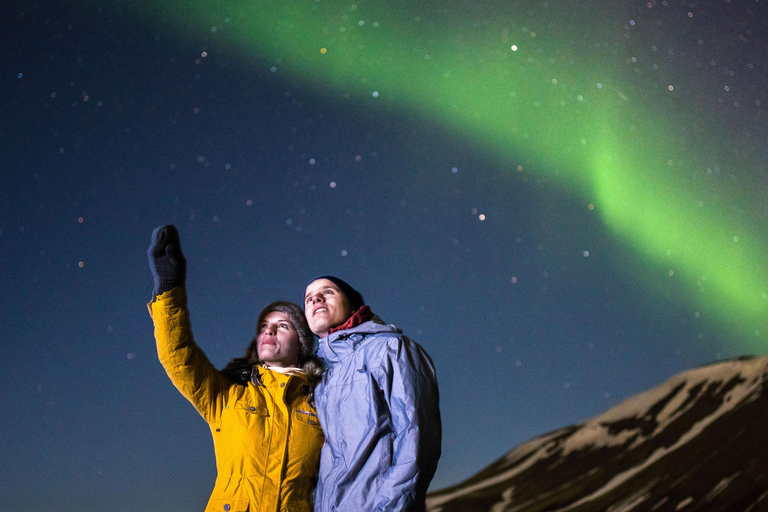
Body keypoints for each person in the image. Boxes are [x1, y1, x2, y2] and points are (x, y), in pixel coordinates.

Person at [147, 225, 324, 512]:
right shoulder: (229, 395)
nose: (269, 332)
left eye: (282, 326)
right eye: (264, 327)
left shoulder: (322, 403)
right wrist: (170, 287)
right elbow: (178, 354)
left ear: (302, 344)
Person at [304, 276, 441, 512]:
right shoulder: (321, 378)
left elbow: (416, 439)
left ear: (353, 305)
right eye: (308, 299)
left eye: (328, 292)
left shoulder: (390, 349)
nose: (316, 298)